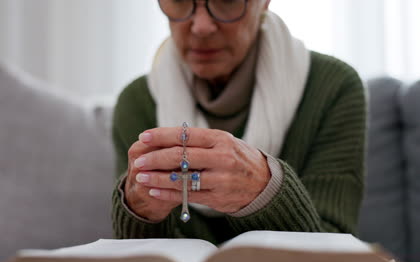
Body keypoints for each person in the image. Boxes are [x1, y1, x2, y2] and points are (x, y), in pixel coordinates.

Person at [111, 0, 366, 244]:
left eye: (227, 0)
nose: (201, 26)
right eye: (179, 0)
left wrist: (268, 191)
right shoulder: (137, 102)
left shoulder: (333, 88)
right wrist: (139, 213)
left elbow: (334, 248)